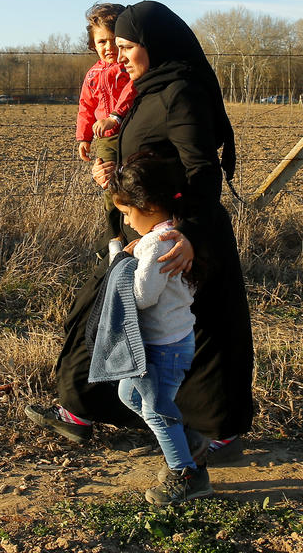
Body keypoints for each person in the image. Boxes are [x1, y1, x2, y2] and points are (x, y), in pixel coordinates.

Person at [26, 0, 254, 463]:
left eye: (129, 46)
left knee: (207, 332)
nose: (121, 55)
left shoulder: (180, 92)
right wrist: (110, 170)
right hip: (148, 228)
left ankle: (219, 433)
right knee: (113, 312)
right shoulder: (149, 89)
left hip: (186, 235)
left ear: (155, 45)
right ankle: (84, 408)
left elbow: (202, 172)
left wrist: (188, 234)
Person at [89, 150, 211, 504]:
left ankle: (186, 475)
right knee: (130, 395)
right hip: (163, 340)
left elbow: (142, 296)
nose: (126, 222)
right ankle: (189, 442)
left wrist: (122, 262)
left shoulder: (159, 243)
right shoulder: (161, 236)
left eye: (127, 213)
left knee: (157, 409)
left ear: (149, 206)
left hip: (164, 346)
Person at [75, 2, 133, 239]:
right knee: (109, 184)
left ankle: (134, 230)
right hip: (106, 140)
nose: (108, 47)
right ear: (92, 44)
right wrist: (84, 137)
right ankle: (114, 234)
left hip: (128, 131)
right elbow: (86, 107)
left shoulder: (128, 68)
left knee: (131, 181)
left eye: (113, 40)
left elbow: (133, 91)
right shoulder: (92, 74)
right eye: (101, 41)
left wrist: (114, 116)